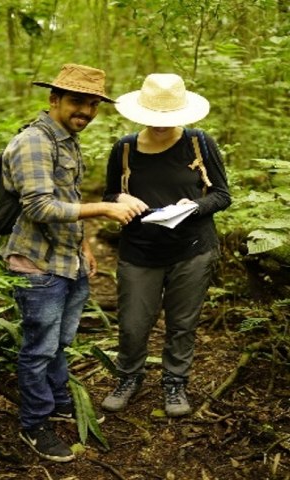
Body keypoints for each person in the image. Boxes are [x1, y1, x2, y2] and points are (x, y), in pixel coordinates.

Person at [0, 64, 144, 463]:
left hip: (67, 260)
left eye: (93, 103)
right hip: (37, 264)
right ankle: (34, 424)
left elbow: (65, 198)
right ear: (54, 100)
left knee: (60, 343)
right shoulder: (35, 141)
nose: (86, 110)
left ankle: (59, 401)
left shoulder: (67, 139)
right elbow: (40, 207)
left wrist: (84, 248)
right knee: (39, 349)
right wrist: (107, 208)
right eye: (77, 101)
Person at [100, 74, 231, 417]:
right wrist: (120, 199)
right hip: (139, 251)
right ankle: (128, 377)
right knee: (132, 323)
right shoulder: (124, 148)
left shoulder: (199, 143)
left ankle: (175, 382)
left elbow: (221, 195)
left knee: (182, 322)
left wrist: (193, 207)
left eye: (168, 119)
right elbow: (109, 194)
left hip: (192, 249)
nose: (160, 126)